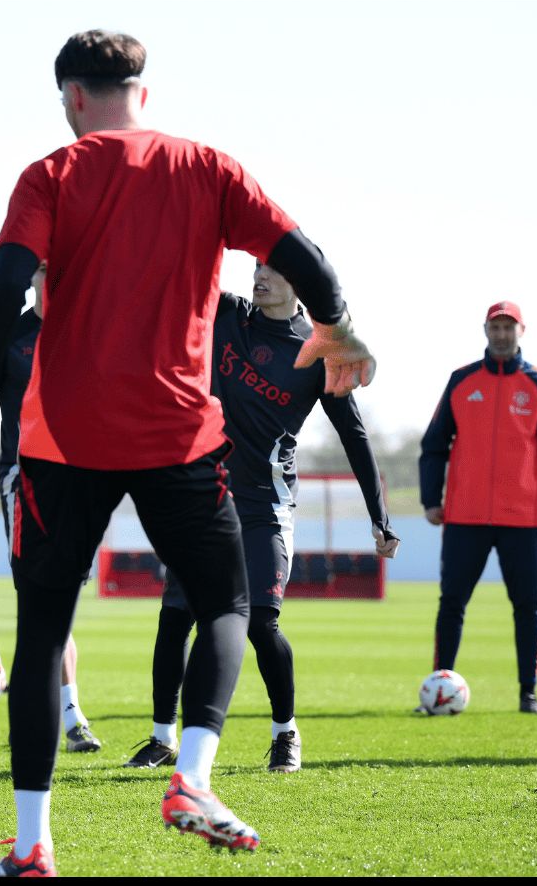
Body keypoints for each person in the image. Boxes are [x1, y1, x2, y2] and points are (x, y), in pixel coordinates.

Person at [0, 31, 375, 873]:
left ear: (71, 97)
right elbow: (306, 260)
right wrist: (336, 330)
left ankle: (32, 849)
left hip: (61, 438)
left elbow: (3, 286)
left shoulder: (50, 174)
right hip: (178, 435)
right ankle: (192, 780)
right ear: (143, 91)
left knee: (41, 635)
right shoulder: (209, 169)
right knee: (224, 607)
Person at [126, 263, 399, 776]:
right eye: (257, 267)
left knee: (258, 623)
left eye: (275, 269)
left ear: (302, 285)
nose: (261, 275)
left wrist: (379, 517)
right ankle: (163, 738)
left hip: (263, 508)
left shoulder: (319, 350)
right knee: (176, 616)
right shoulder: (227, 314)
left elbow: (355, 436)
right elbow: (175, 273)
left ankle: (285, 733)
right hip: (202, 497)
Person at [0, 264, 100, 754]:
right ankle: (65, 718)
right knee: (40, 601)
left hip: (81, 481)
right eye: (43, 270)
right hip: (24, 480)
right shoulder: (9, 334)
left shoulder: (90, 330)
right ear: (29, 275)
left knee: (59, 606)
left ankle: (56, 713)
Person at [419, 300, 537, 716]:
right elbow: (434, 446)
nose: (502, 334)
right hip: (464, 516)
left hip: (523, 518)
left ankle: (528, 694)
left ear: (522, 331)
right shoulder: (462, 381)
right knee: (451, 603)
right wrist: (432, 499)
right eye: (495, 327)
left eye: (509, 327)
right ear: (485, 330)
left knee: (528, 607)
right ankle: (439, 687)